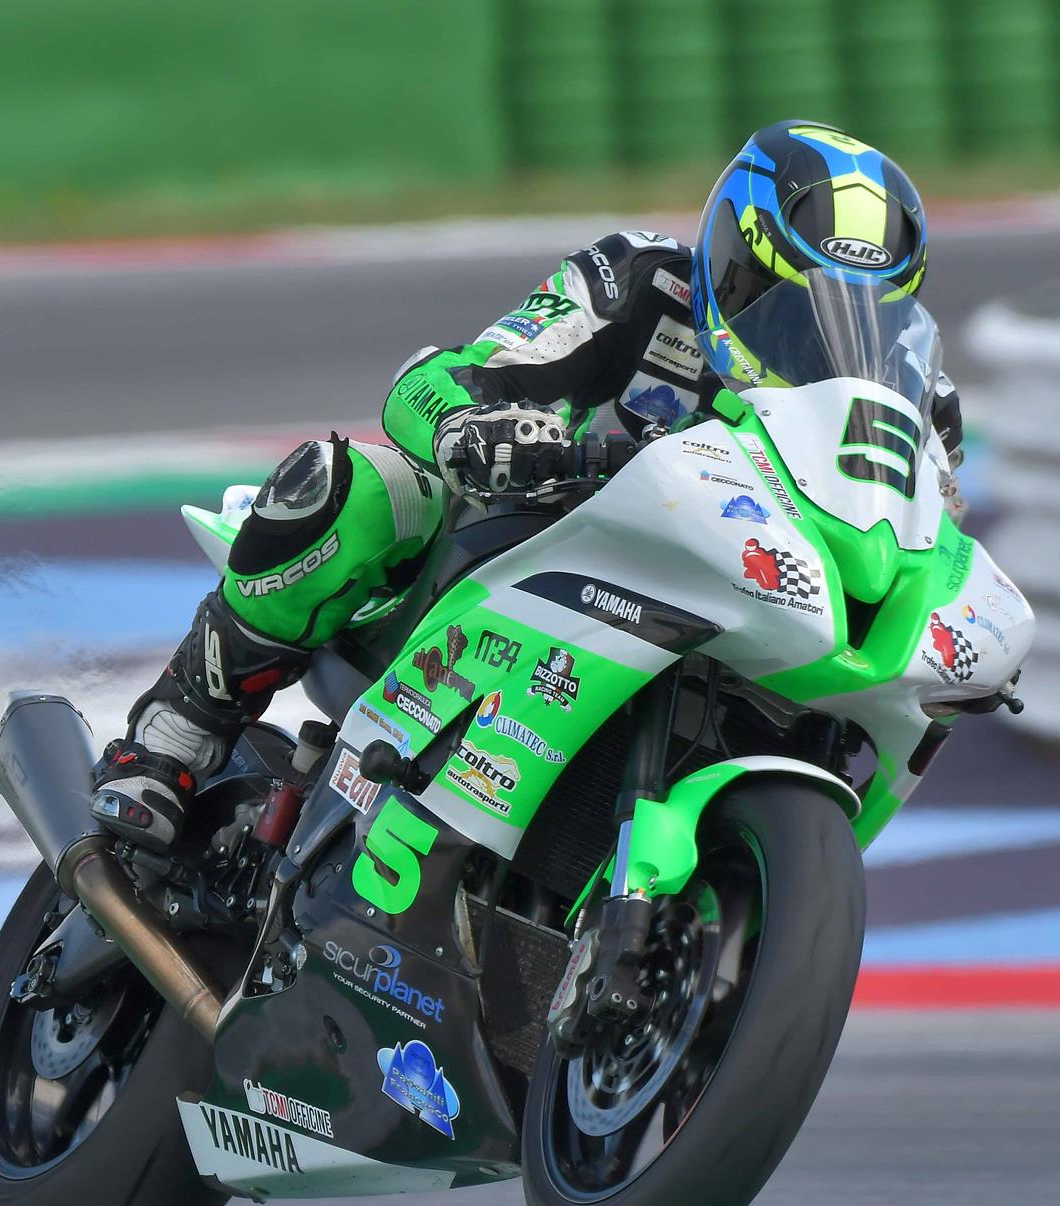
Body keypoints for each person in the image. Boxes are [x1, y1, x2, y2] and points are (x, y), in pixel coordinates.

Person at [91, 120, 965, 851]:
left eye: (858, 309)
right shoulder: (641, 281)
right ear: (734, 256)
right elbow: (435, 380)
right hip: (533, 558)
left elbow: (932, 531)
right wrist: (476, 427)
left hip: (755, 615)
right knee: (357, 487)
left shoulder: (921, 400)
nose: (811, 331)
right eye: (782, 296)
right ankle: (173, 734)